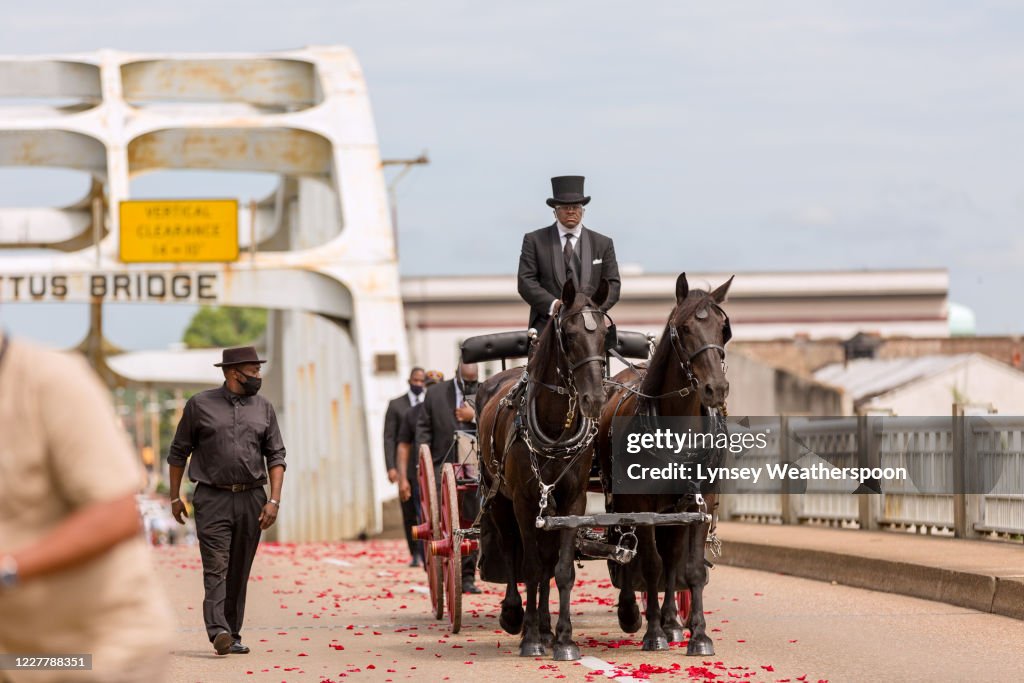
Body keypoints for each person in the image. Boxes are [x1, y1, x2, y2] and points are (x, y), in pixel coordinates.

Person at [0, 332, 174, 683]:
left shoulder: (51, 380)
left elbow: (117, 514)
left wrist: (9, 569)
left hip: (97, 654)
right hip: (18, 656)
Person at [167, 346, 287, 656]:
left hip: (251, 497)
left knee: (238, 568)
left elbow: (276, 455)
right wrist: (174, 496)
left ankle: (232, 632)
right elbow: (178, 451)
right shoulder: (199, 405)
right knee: (216, 565)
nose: (258, 375)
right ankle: (217, 629)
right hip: (211, 497)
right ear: (234, 373)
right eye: (254, 370)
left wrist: (274, 500)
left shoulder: (264, 408)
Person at [517, 175, 622, 331]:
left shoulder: (603, 243)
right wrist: (554, 305)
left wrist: (594, 309)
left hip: (590, 327)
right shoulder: (534, 241)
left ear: (583, 211)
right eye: (565, 207)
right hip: (547, 327)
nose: (571, 211)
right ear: (555, 212)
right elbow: (526, 281)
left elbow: (613, 284)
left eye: (576, 207)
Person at [415, 362, 481, 593]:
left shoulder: (484, 391)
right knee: (445, 520)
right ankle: (441, 566)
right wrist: (425, 464)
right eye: (467, 382)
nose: (471, 385)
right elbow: (423, 429)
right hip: (441, 463)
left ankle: (468, 576)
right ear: (457, 376)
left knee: (472, 518)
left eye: (474, 381)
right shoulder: (435, 394)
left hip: (473, 464)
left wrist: (473, 416)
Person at [397, 370, 444, 558]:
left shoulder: (455, 408)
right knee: (423, 515)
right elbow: (403, 445)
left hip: (448, 468)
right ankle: (425, 555)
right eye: (430, 387)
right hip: (424, 472)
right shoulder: (413, 413)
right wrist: (402, 478)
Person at [383, 367, 427, 567]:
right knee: (409, 512)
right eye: (415, 380)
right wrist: (392, 468)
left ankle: (427, 551)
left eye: (421, 381)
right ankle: (415, 553)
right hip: (406, 468)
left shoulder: (429, 405)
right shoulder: (396, 405)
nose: (418, 384)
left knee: (425, 511)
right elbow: (389, 438)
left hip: (425, 466)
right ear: (409, 380)